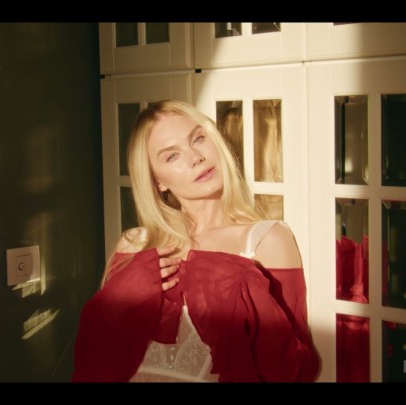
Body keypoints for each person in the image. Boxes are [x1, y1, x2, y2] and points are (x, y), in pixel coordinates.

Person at [72, 100, 320, 382]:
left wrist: (242, 290)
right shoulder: (133, 245)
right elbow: (94, 359)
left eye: (198, 139)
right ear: (158, 182)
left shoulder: (267, 240)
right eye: (172, 156)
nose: (195, 157)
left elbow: (298, 370)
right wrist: (118, 298)